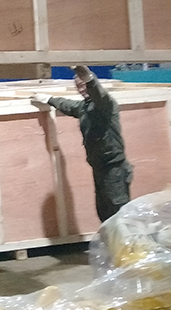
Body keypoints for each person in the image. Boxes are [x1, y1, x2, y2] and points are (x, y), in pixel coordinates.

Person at [30, 65, 133, 221]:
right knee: (104, 210)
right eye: (78, 87)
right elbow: (69, 106)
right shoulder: (85, 107)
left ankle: (125, 237)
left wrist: (88, 78)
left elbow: (98, 92)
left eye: (83, 85)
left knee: (118, 209)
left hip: (114, 168)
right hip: (99, 167)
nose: (81, 89)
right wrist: (49, 99)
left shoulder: (105, 104)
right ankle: (110, 236)